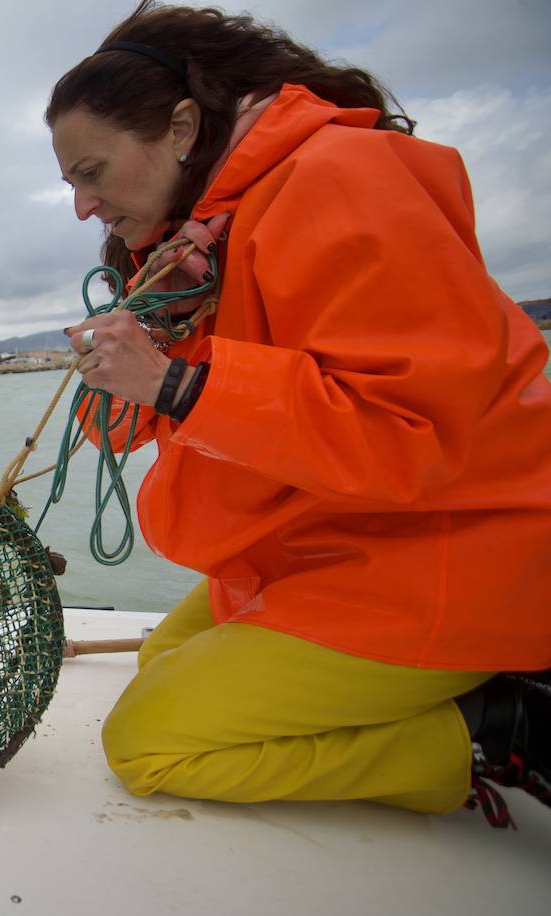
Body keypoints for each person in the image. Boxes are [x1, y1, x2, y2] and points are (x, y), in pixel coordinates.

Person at [49, 1, 551, 827]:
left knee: (146, 742)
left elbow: (414, 431)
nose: (81, 207)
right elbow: (164, 422)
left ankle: (487, 733)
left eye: (91, 173)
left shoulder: (343, 175)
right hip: (325, 539)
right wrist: (125, 379)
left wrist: (177, 385)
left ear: (180, 128)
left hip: (450, 548)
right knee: (164, 665)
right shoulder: (200, 240)